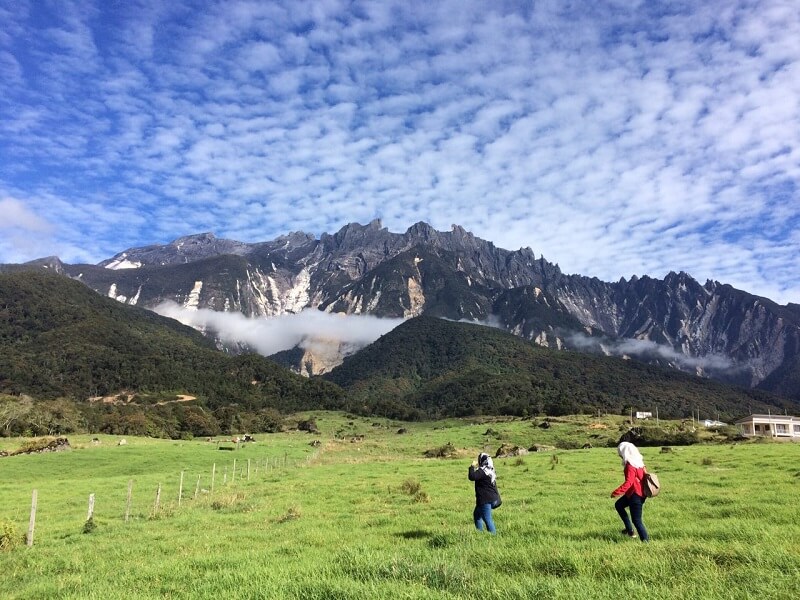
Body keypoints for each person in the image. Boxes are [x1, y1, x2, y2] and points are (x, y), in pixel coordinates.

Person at [611, 441, 650, 542]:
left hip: (635, 494)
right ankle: (629, 530)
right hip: (638, 493)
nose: (619, 455)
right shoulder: (640, 463)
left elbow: (629, 482)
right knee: (619, 505)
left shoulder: (630, 465)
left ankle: (646, 542)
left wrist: (616, 492)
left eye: (620, 452)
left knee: (637, 520)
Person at [468, 452, 501, 534]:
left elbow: (472, 477)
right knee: (477, 515)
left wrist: (472, 466)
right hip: (493, 498)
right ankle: (480, 534)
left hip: (485, 500)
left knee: (487, 519)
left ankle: (493, 536)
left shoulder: (483, 471)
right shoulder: (491, 470)